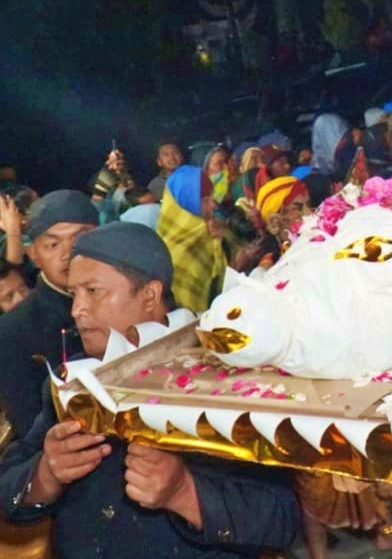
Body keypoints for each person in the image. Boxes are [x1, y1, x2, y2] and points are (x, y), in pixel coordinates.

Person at [0, 222, 299, 559]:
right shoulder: (76, 378)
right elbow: (10, 488)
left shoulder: (228, 378)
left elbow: (282, 519)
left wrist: (185, 492)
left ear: (150, 295)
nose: (76, 309)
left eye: (93, 291)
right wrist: (46, 473)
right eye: (74, 293)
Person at [0, 190, 98, 437]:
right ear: (33, 254)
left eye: (81, 238)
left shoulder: (127, 297)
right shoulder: (13, 330)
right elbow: (29, 429)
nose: (68, 253)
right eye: (53, 244)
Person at [157, 165, 227, 313]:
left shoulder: (212, 232)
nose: (214, 205)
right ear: (187, 204)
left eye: (212, 197)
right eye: (205, 200)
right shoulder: (173, 256)